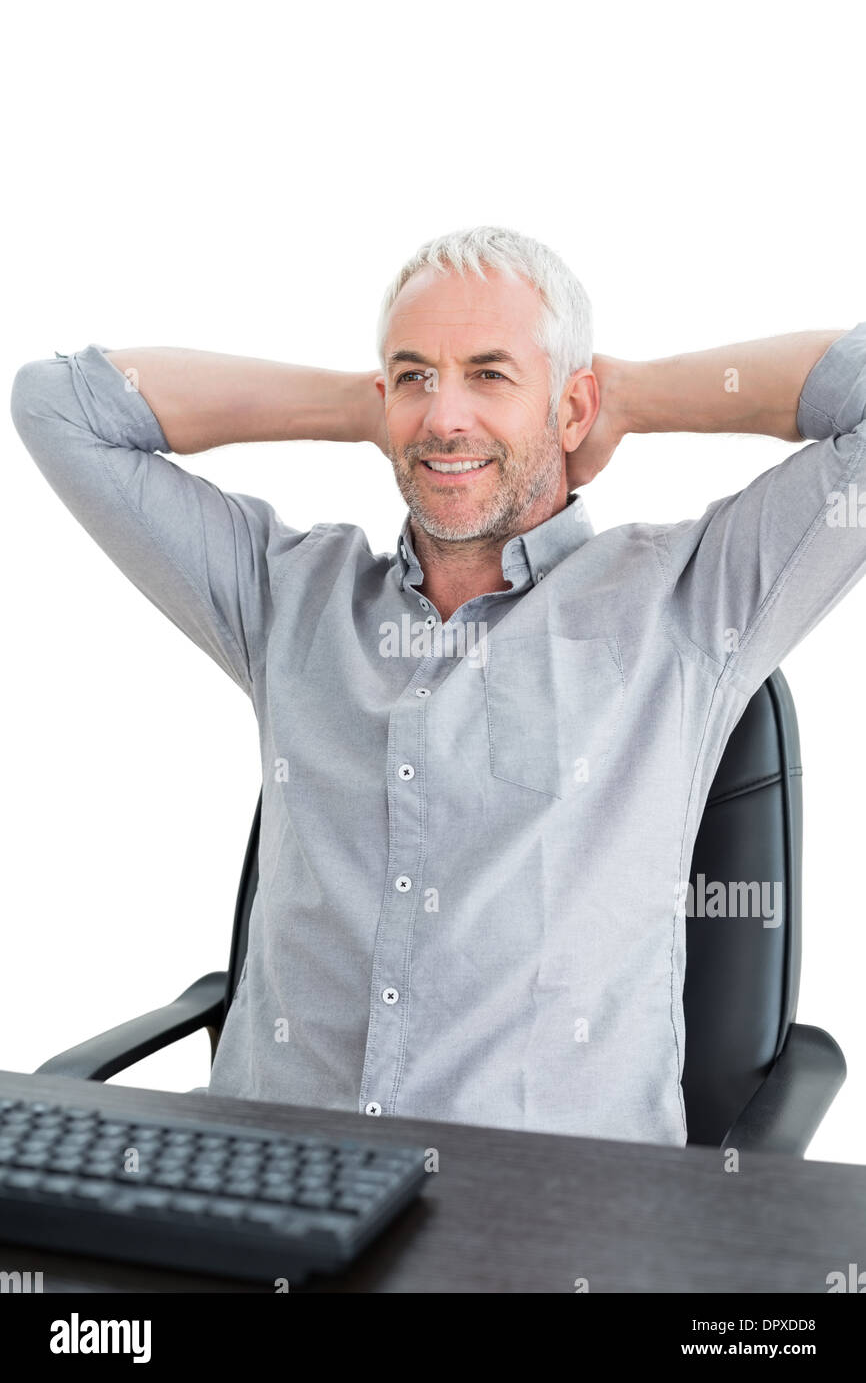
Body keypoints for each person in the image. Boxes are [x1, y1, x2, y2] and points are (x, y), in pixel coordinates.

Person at [10, 224, 865, 1147]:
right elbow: (60, 405)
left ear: (570, 408)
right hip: (266, 1183)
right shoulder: (286, 596)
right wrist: (366, 408)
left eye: (492, 375)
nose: (445, 417)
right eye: (415, 375)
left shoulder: (689, 603)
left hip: (541, 1220)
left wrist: (628, 397)